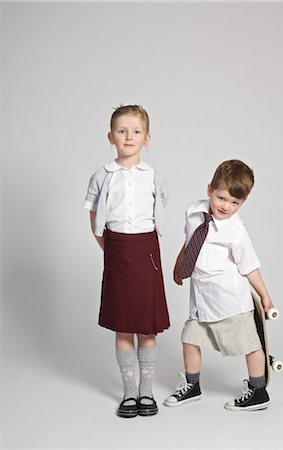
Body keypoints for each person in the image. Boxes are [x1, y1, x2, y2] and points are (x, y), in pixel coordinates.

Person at [163, 159, 273, 411]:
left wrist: (265, 296)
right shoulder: (194, 212)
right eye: (222, 198)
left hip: (230, 301)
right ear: (209, 189)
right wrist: (180, 265)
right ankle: (192, 386)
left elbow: (249, 266)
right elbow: (191, 241)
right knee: (189, 339)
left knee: (250, 344)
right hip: (201, 299)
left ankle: (258, 391)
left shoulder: (236, 231)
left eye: (235, 203)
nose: (227, 206)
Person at [84, 105, 170, 418]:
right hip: (117, 248)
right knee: (123, 326)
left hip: (147, 249)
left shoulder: (152, 176)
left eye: (135, 131)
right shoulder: (102, 175)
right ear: (111, 136)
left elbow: (160, 206)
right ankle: (129, 392)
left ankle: (146, 392)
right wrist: (109, 247)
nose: (128, 136)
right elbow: (93, 214)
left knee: (147, 326)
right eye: (122, 131)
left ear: (147, 138)